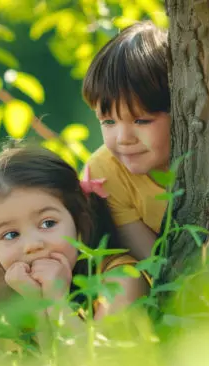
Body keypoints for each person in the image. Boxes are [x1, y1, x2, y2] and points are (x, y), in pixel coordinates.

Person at [0, 146, 149, 331]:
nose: (32, 245)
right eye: (11, 235)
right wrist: (36, 302)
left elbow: (98, 359)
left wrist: (55, 300)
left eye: (48, 223)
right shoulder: (5, 294)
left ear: (79, 222)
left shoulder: (121, 279)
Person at [82, 20, 171, 261]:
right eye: (108, 122)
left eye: (141, 121)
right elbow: (156, 265)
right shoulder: (106, 172)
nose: (123, 139)